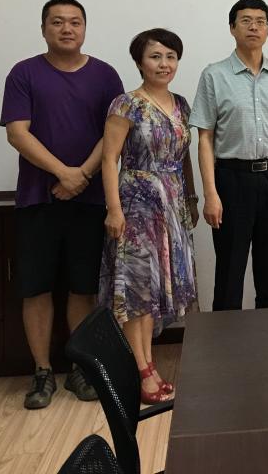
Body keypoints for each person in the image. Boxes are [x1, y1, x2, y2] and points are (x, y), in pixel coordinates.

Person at [0, 0, 124, 410]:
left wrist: (81, 175)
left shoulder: (105, 75)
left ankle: (80, 368)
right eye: (57, 22)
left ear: (85, 28)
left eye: (75, 22)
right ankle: (41, 372)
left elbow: (113, 134)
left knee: (82, 287)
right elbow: (17, 133)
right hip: (38, 199)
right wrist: (63, 173)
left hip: (91, 200)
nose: (67, 28)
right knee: (36, 288)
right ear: (43, 29)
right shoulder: (24, 73)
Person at [99, 28, 198, 404]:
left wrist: (190, 200)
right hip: (136, 208)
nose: (164, 64)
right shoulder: (126, 104)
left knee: (155, 290)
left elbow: (183, 158)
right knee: (137, 290)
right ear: (140, 62)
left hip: (172, 207)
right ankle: (140, 370)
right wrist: (114, 209)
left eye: (171, 56)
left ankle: (148, 364)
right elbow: (109, 159)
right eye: (156, 56)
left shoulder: (182, 105)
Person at [190, 0, 268, 310]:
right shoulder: (214, 75)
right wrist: (210, 193)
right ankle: (226, 341)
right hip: (232, 180)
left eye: (260, 21)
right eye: (246, 20)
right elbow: (204, 138)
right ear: (232, 28)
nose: (254, 27)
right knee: (230, 270)